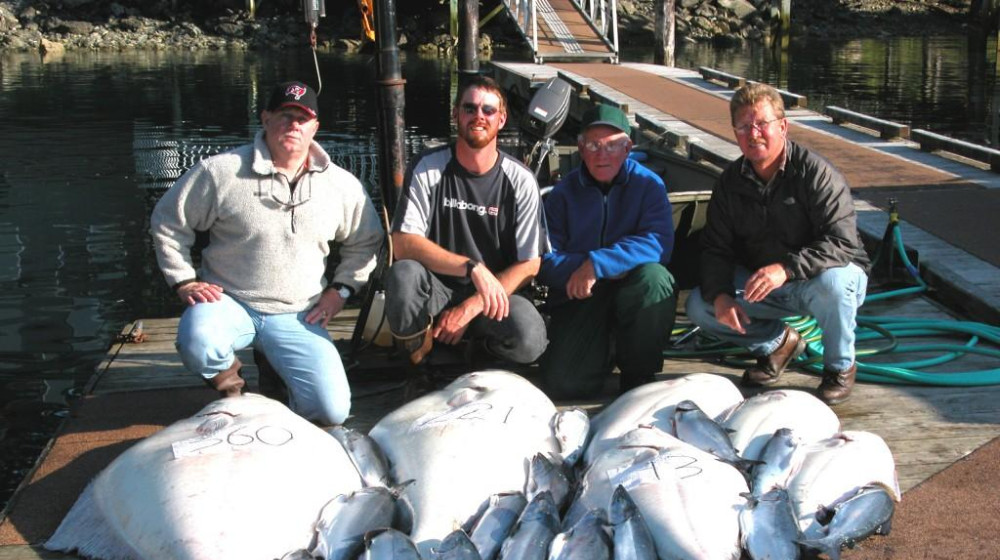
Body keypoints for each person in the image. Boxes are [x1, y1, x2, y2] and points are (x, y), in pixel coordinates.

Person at [151, 80, 384, 425]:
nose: (293, 125)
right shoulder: (220, 171)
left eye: (302, 119)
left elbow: (366, 242)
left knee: (331, 410)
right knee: (197, 341)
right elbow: (168, 222)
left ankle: (278, 378)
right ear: (265, 118)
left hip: (299, 313)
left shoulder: (343, 185)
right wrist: (183, 280)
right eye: (284, 115)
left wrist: (342, 289)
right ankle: (237, 397)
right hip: (230, 302)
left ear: (315, 127)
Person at [685, 82, 870, 405]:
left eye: (761, 124)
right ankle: (778, 343)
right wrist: (721, 295)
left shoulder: (817, 174)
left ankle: (840, 367)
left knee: (836, 285)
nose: (753, 133)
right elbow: (716, 248)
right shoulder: (729, 183)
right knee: (700, 306)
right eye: (744, 126)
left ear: (783, 126)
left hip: (821, 277)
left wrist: (785, 268)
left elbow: (842, 243)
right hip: (765, 283)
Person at [385, 74, 549, 373]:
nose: (479, 116)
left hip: (493, 295)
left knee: (530, 339)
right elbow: (402, 242)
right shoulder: (427, 167)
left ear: (501, 119)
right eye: (470, 108)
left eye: (488, 110)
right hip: (435, 289)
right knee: (403, 275)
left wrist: (471, 306)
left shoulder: (521, 180)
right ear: (456, 115)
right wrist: (472, 268)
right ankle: (418, 368)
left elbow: (530, 265)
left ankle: (479, 351)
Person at [538, 104, 677, 398]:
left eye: (613, 146)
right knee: (564, 385)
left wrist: (598, 264)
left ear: (628, 148)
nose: (603, 154)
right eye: (594, 145)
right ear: (580, 148)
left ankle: (638, 372)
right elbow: (547, 261)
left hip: (630, 287)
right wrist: (585, 269)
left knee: (655, 279)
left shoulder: (649, 186)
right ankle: (605, 349)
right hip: (581, 296)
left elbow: (658, 244)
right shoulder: (562, 195)